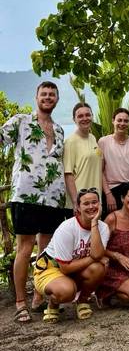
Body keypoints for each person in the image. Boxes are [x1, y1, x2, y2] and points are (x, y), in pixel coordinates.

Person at [0, 81, 68, 323]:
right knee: (24, 248)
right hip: (26, 194)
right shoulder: (21, 121)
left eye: (52, 95)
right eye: (44, 94)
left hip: (53, 198)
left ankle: (39, 296)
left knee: (46, 249)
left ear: (57, 100)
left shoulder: (59, 130)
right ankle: (20, 302)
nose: (48, 97)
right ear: (36, 97)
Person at [33, 189, 109, 322]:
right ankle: (53, 303)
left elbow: (97, 254)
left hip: (77, 266)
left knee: (98, 268)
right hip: (51, 268)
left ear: (100, 205)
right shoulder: (67, 228)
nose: (91, 207)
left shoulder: (103, 227)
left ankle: (82, 301)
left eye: (94, 202)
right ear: (78, 208)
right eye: (86, 204)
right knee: (67, 291)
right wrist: (93, 257)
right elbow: (66, 268)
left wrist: (94, 223)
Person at [98, 108, 129, 213]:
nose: (122, 123)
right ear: (113, 121)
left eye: (126, 121)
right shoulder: (103, 142)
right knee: (110, 224)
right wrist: (108, 194)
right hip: (110, 189)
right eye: (119, 120)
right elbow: (100, 171)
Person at [64, 102, 102, 208]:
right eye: (80, 116)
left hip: (94, 200)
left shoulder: (93, 138)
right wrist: (76, 202)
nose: (84, 118)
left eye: (88, 115)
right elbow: (68, 174)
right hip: (81, 202)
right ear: (74, 119)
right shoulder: (70, 142)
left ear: (92, 116)